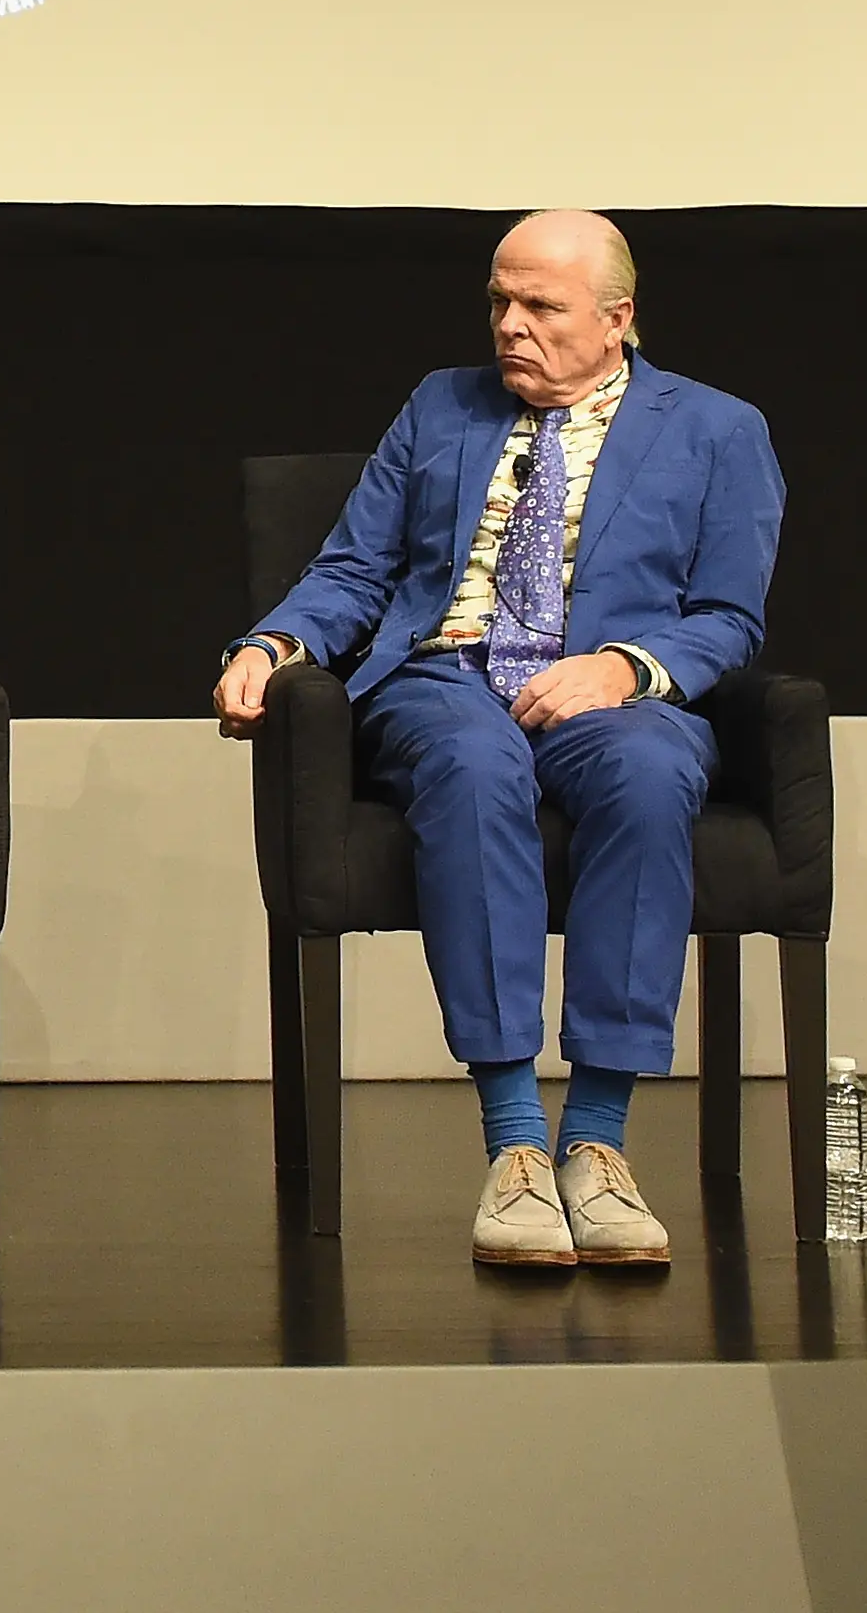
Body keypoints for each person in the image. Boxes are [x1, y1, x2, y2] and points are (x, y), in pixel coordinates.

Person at [218, 212, 778, 1273]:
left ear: (617, 322)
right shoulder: (443, 405)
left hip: (610, 688)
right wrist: (276, 640)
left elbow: (728, 615)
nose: (508, 327)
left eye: (539, 308)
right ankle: (517, 1142)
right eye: (498, 302)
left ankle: (599, 1144)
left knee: (655, 774)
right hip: (449, 672)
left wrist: (622, 669)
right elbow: (354, 567)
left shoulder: (718, 430)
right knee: (472, 768)